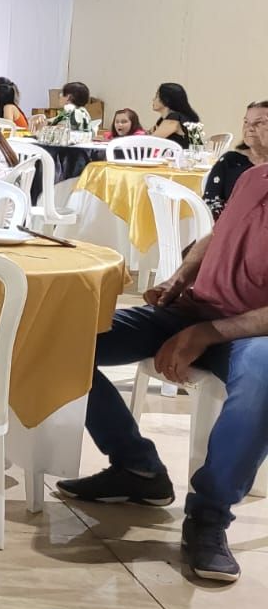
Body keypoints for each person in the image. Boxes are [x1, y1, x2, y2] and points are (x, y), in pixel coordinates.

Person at [55, 160, 268, 583]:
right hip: (192, 310)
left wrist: (206, 334)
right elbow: (216, 235)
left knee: (263, 376)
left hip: (250, 333)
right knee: (61, 343)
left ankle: (209, 516)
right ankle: (138, 468)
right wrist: (178, 279)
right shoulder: (253, 175)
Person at [202, 100, 268, 218]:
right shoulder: (230, 162)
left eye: (259, 123)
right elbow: (210, 205)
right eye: (246, 122)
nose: (250, 128)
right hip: (233, 227)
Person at [150, 82, 202, 148]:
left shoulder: (174, 119)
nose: (153, 99)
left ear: (166, 100)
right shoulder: (164, 119)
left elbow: (151, 141)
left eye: (156, 96)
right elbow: (149, 134)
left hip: (183, 154)